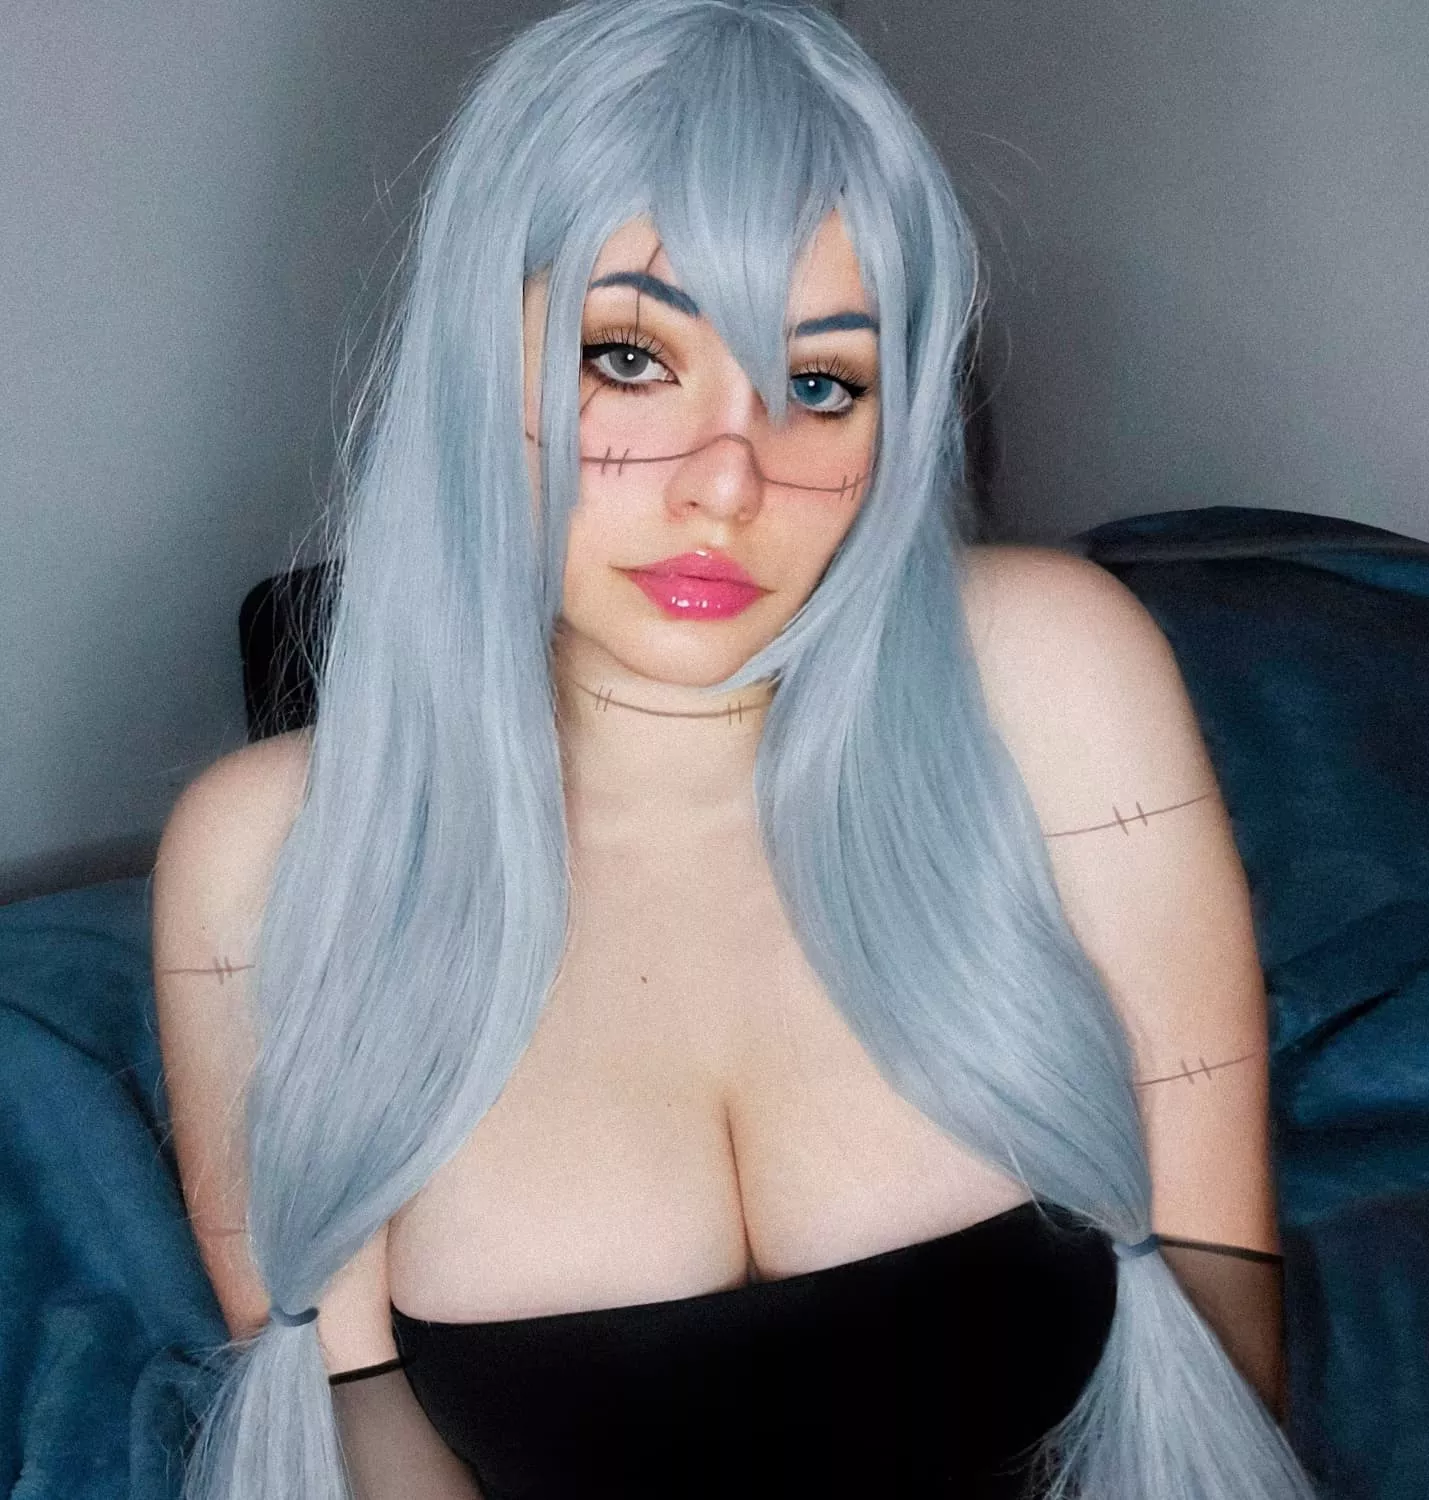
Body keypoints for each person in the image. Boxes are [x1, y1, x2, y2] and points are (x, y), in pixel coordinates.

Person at [152, 1, 1318, 1495]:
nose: (729, 483)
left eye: (820, 385)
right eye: (632, 357)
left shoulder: (1049, 671)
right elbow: (350, 1417)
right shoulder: (263, 858)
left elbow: (1213, 1319)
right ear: (476, 364)